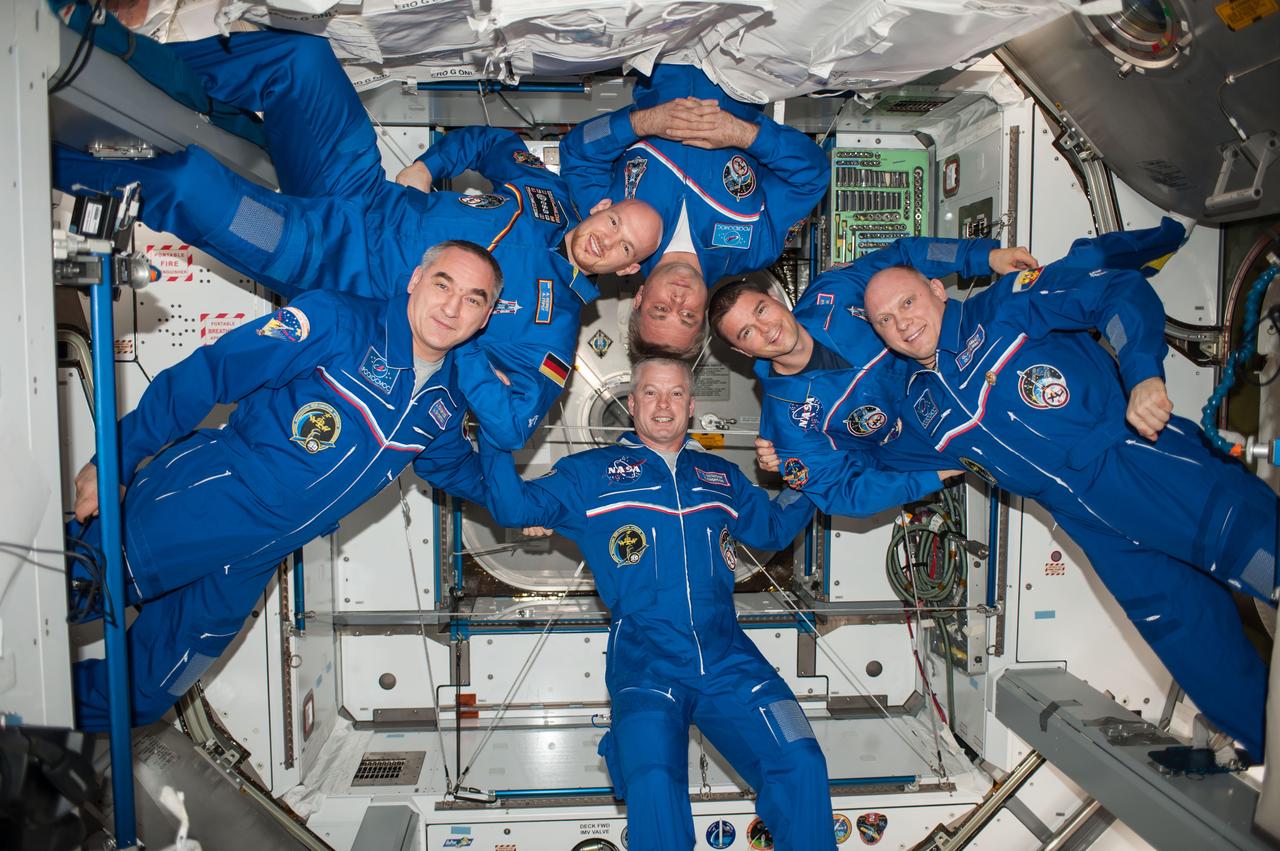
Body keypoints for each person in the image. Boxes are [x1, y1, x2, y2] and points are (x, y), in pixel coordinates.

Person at [51, 26, 664, 450]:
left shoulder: (552, 333)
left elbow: (511, 428)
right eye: (614, 223)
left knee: (189, 186)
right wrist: (427, 165)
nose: (607, 241)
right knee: (302, 60)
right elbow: (491, 142)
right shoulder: (548, 195)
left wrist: (466, 342)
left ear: (627, 270)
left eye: (625, 249)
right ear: (603, 206)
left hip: (326, 259)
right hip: (360, 188)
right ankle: (116, 56)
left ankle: (42, 159)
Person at [861, 249, 1278, 759]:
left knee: (1265, 561)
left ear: (936, 290)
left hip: (1145, 465)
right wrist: (795, 454)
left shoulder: (1005, 306)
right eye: (885, 320)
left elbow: (1115, 290)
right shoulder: (921, 405)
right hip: (1094, 529)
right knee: (1198, 651)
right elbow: (871, 462)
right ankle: (1268, 752)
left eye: (907, 303)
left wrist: (1143, 374)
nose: (902, 324)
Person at [68, 241, 501, 730]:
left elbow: (452, 467)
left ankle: (27, 722)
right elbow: (213, 371)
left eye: (472, 299)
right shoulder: (337, 321)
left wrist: (527, 509)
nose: (451, 307)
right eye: (443, 284)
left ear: (485, 317)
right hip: (208, 501)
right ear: (415, 281)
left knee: (141, 695)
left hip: (254, 560)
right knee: (66, 589)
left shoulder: (447, 398)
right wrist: (116, 458)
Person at [478, 358, 834, 851]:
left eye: (675, 394)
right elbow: (512, 507)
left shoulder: (721, 475)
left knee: (802, 762)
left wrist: (813, 472)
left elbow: (772, 528)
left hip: (729, 657)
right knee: (654, 785)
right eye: (650, 393)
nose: (663, 405)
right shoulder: (588, 474)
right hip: (645, 663)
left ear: (691, 406)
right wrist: (495, 428)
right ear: (631, 404)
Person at [708, 237, 1037, 515]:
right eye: (747, 332)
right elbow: (842, 492)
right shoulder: (787, 424)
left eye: (761, 310)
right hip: (949, 440)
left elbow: (902, 257)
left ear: (775, 299)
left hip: (977, 370)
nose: (767, 329)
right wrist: (932, 476)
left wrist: (985, 257)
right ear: (742, 351)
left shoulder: (833, 293)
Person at [561, 64, 829, 357]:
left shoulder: (609, 227)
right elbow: (812, 176)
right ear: (703, 312)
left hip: (664, 57)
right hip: (743, 67)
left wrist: (642, 123)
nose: (677, 301)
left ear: (639, 298)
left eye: (660, 309)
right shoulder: (755, 248)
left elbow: (577, 151)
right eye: (687, 315)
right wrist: (744, 134)